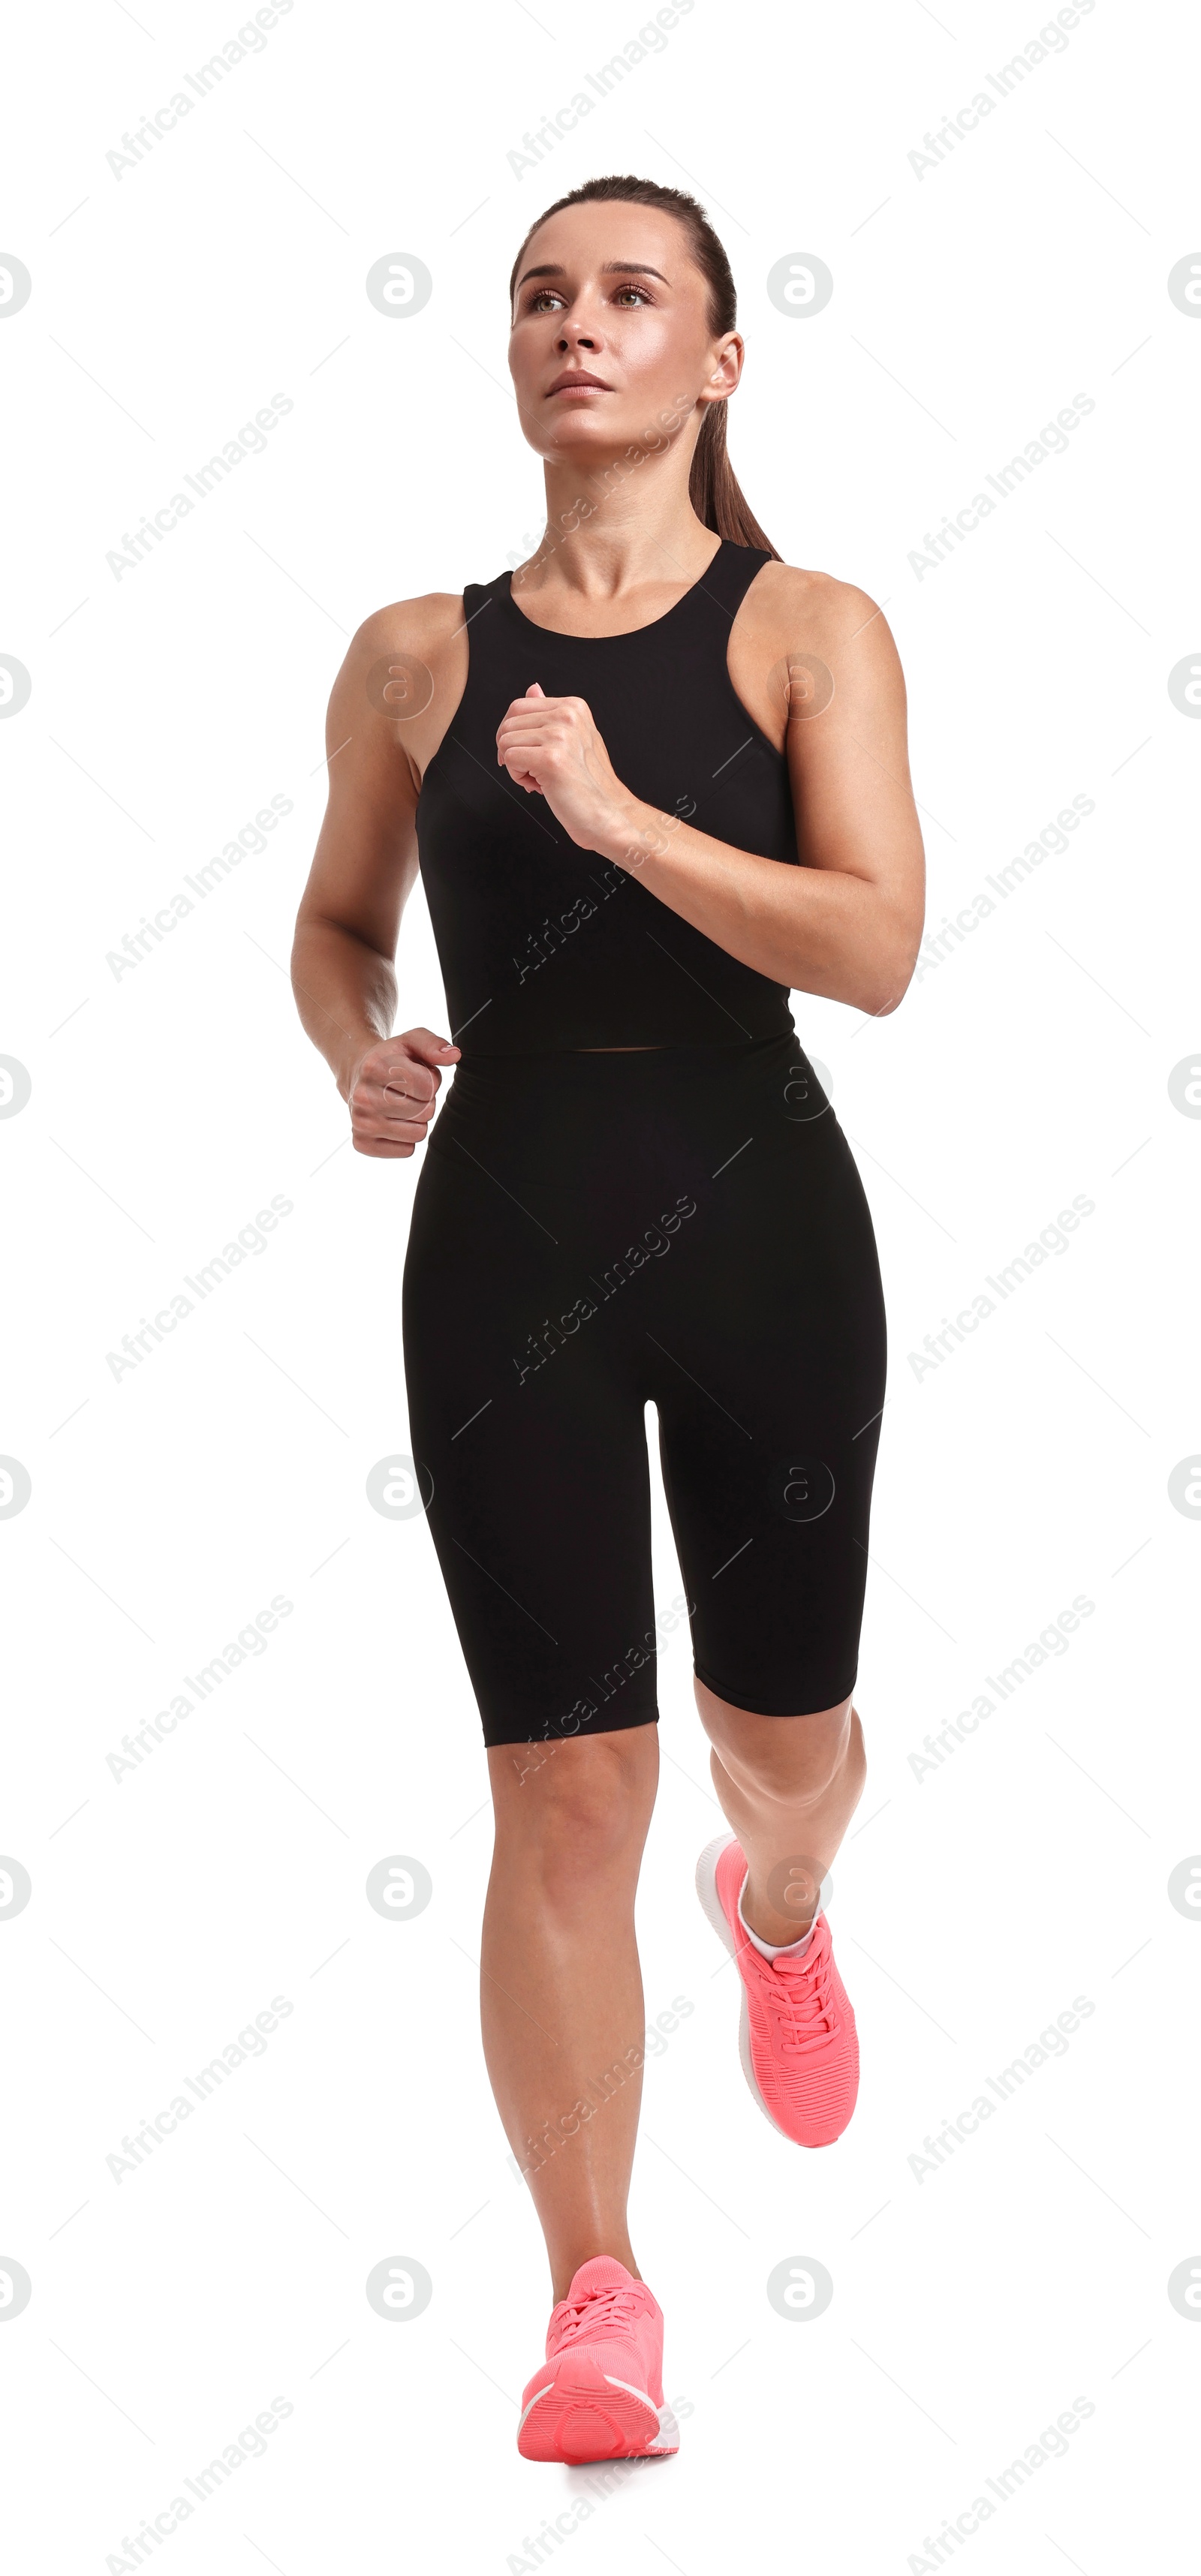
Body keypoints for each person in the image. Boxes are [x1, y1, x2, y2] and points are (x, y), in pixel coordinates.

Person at [291, 173, 925, 2468]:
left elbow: (874, 950)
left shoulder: (811, 628)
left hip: (764, 1221)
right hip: (511, 1235)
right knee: (560, 1788)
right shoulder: (407, 654)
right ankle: (598, 2287)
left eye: (632, 293)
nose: (581, 324)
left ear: (718, 361)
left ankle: (781, 1906)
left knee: (780, 1747)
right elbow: (339, 922)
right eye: (544, 294)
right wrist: (354, 1044)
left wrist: (624, 814)